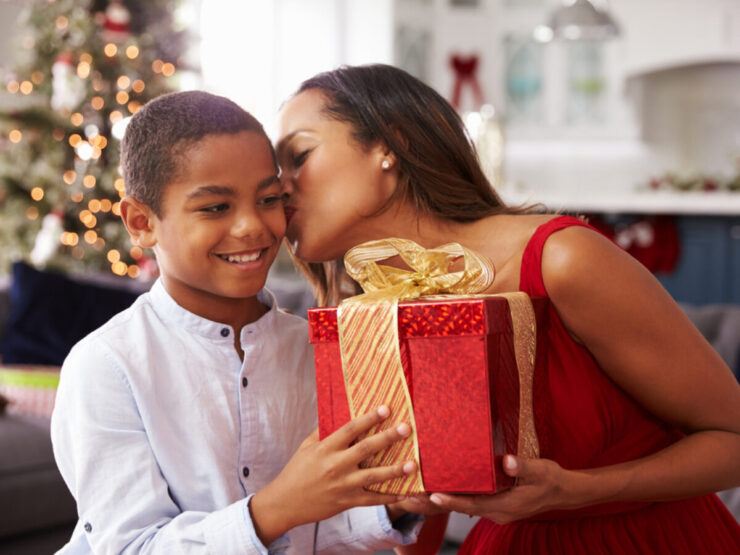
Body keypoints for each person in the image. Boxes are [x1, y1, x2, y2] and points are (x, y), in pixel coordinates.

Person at [275, 64, 740, 553]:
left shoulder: (564, 260)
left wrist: (576, 492)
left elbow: (732, 439)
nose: (280, 187)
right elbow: (429, 509)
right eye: (275, 173)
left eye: (299, 156)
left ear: (392, 146)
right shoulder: (374, 313)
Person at [50, 90, 426, 554]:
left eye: (269, 198)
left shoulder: (317, 347)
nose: (253, 226)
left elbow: (312, 533)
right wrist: (279, 507)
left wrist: (392, 506)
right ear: (141, 221)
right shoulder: (106, 364)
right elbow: (132, 547)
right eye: (215, 207)